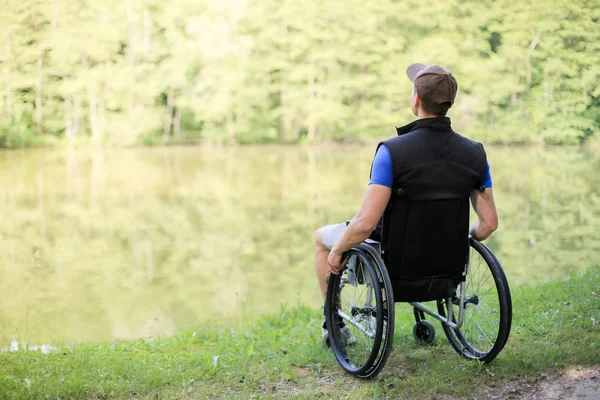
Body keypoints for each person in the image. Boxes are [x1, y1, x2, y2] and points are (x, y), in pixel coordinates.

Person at [314, 63, 499, 347]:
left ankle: (334, 324)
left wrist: (338, 250)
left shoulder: (392, 152)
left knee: (321, 238)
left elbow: (364, 224)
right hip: (445, 265)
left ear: (416, 100)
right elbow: (488, 225)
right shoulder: (475, 154)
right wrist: (457, 241)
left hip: (394, 263)